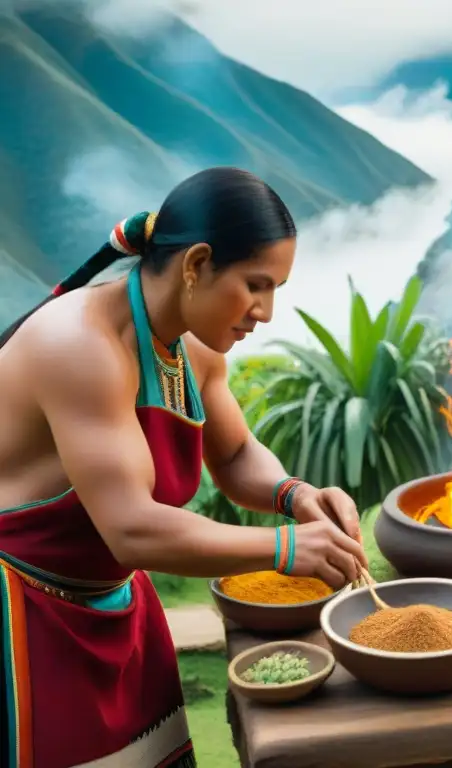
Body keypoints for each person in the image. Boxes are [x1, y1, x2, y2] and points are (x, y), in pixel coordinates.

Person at [0, 167, 369, 767]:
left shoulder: (192, 345)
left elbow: (235, 454)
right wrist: (283, 549)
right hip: (28, 617)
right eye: (256, 284)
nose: (266, 312)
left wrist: (293, 494)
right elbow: (132, 528)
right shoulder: (79, 346)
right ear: (196, 264)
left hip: (120, 610)